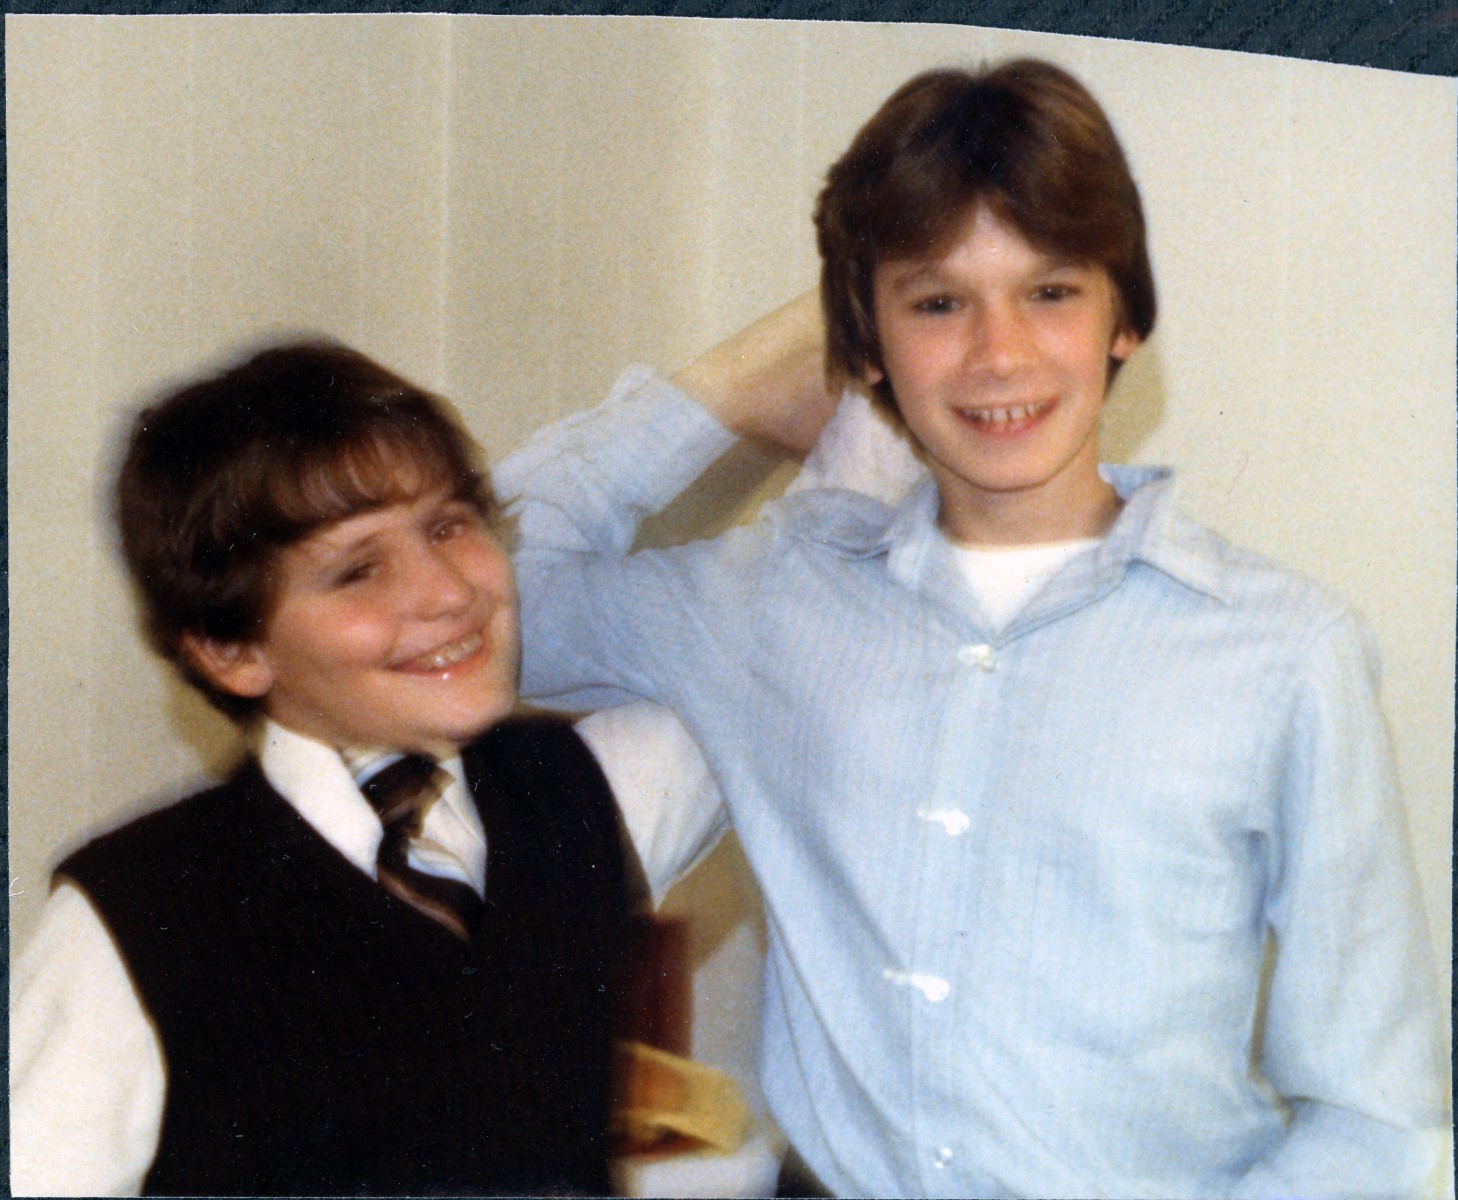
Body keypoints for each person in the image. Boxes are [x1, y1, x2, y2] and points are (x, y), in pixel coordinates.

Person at [497, 59, 1449, 1197]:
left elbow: (1374, 1115)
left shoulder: (1288, 653)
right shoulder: (770, 597)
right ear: (867, 346)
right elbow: (491, 593)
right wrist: (725, 386)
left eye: (1050, 291)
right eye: (938, 303)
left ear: (1125, 318)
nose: (1000, 354)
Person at [10, 343, 632, 1196]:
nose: (449, 592)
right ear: (232, 651)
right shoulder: (134, 920)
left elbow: (784, 635)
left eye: (448, 525)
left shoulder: (574, 790)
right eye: (357, 571)